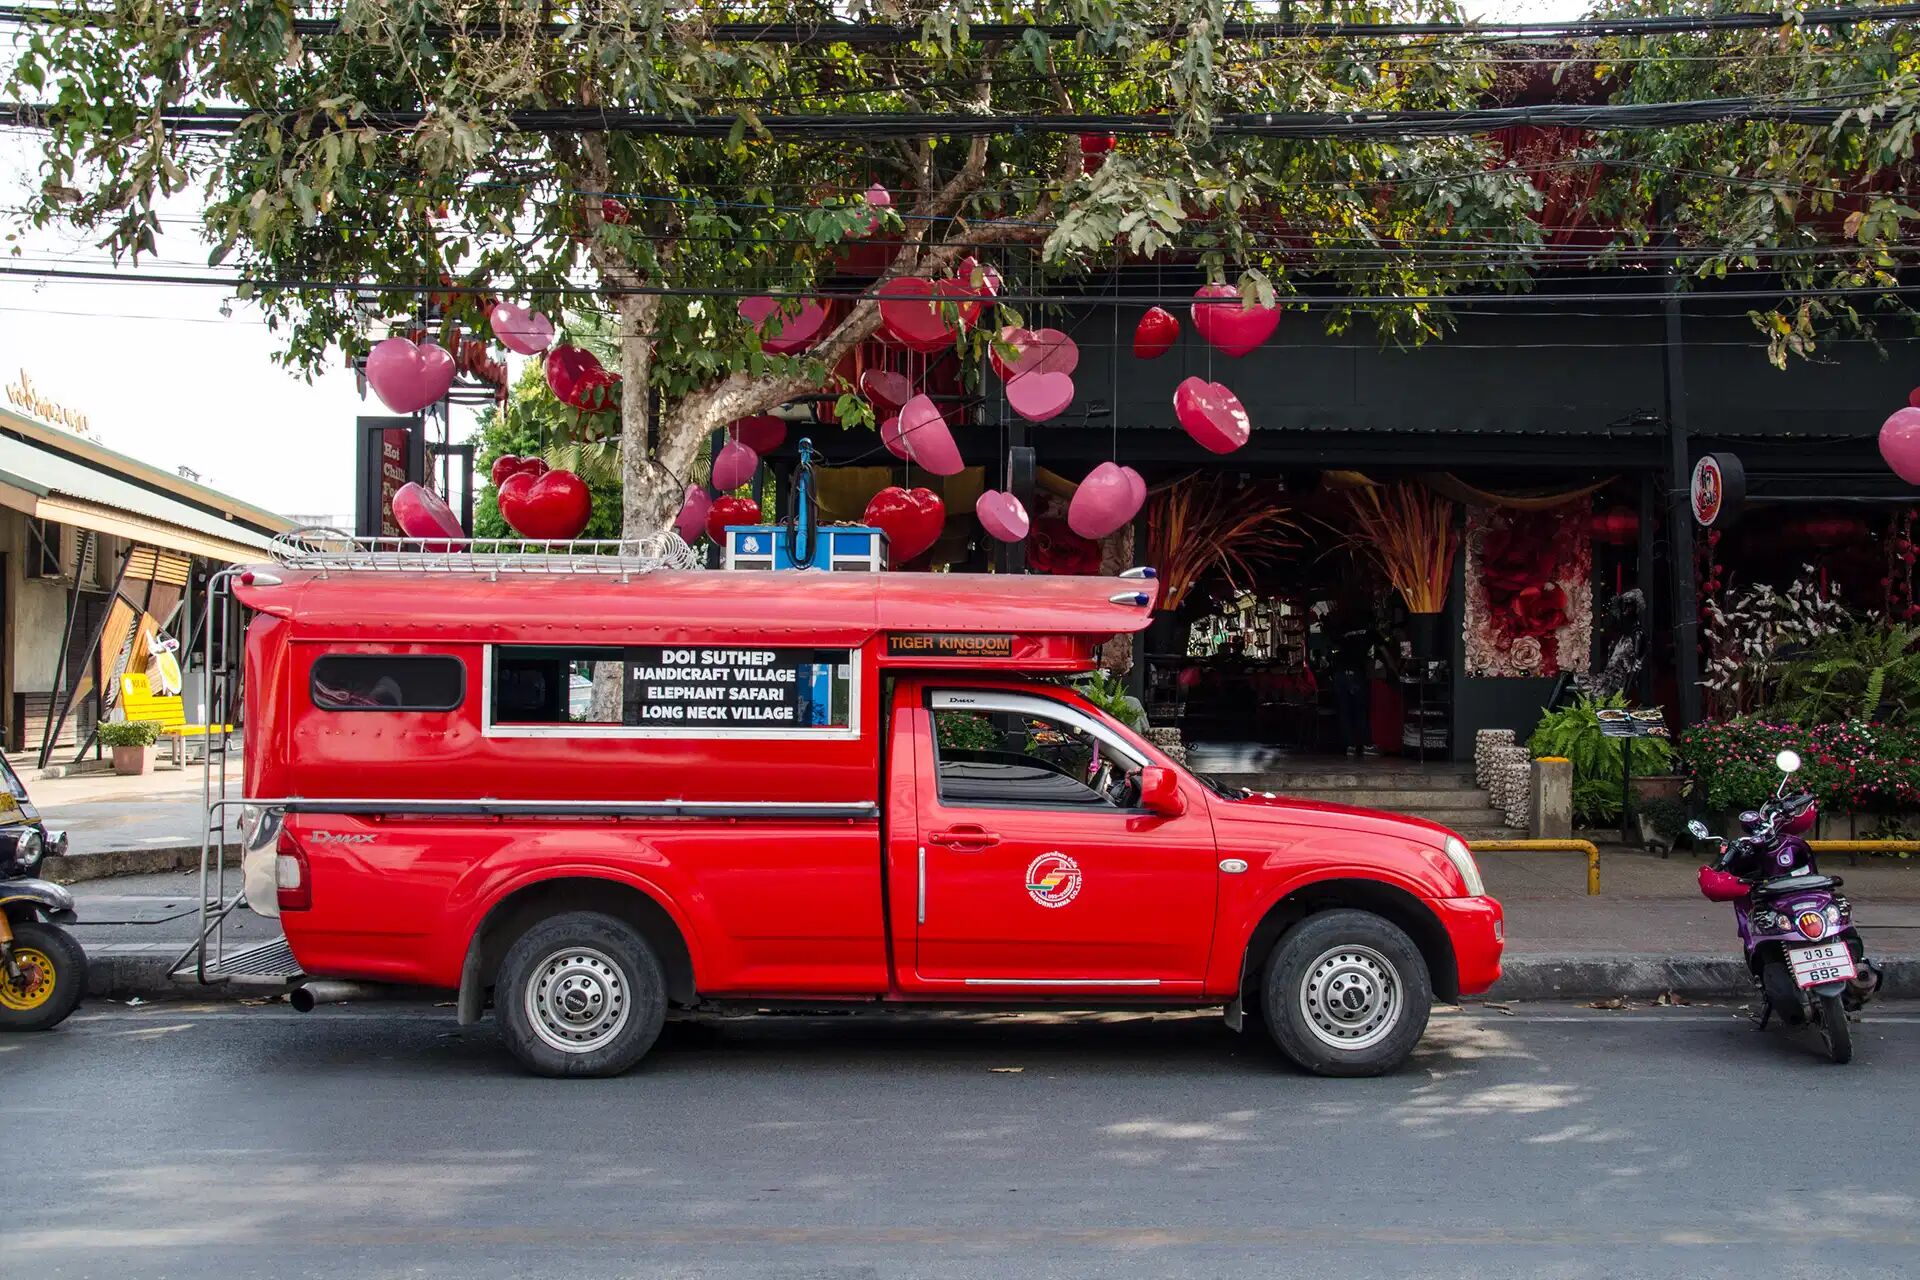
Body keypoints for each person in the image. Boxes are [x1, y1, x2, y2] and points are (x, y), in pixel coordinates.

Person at [1329, 598, 1379, 757]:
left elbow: (1334, 647)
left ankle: (1349, 746)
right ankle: (1366, 744)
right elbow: (1384, 651)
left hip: (1340, 673)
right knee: (1360, 709)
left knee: (1344, 710)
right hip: (1356, 673)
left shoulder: (1343, 628)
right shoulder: (1370, 631)